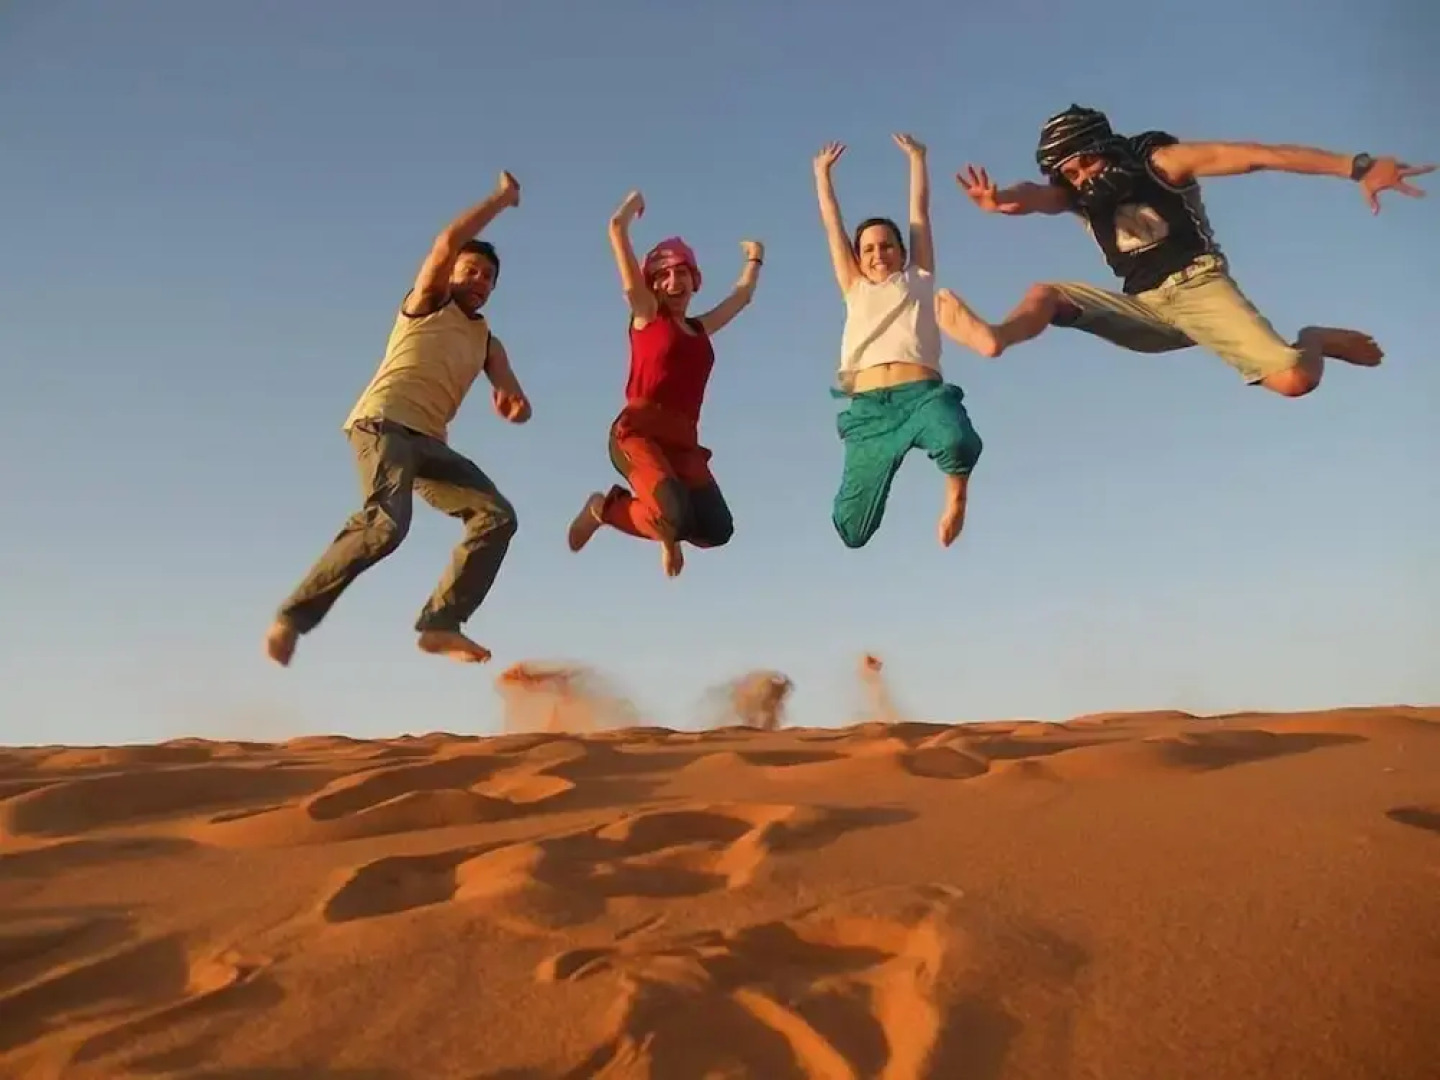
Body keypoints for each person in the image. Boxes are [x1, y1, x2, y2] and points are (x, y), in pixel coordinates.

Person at [940, 104, 1435, 397]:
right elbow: (1035, 197)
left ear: (1104, 146)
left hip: (1200, 287)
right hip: (1146, 309)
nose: (1082, 178)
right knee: (1045, 294)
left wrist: (1358, 165)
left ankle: (1314, 338)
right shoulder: (1079, 196)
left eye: (1085, 163)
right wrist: (1000, 200)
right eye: (1070, 174)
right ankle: (995, 338)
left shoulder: (1162, 161)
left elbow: (1256, 155)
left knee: (1294, 382)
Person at [264, 171, 531, 668]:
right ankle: (292, 618)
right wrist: (503, 198)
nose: (478, 281)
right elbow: (447, 241)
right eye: (470, 271)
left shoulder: (488, 340)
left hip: (430, 445)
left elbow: (514, 393)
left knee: (497, 517)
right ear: (453, 273)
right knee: (386, 524)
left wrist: (514, 405)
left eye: (487, 277)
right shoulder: (429, 301)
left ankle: (441, 624)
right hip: (382, 425)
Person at [566, 189, 764, 578]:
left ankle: (662, 526)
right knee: (674, 515)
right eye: (663, 275)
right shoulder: (646, 316)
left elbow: (740, 299)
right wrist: (624, 216)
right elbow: (616, 236)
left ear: (694, 279)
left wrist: (754, 259)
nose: (674, 281)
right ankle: (605, 509)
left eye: (682, 272)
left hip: (683, 442)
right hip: (637, 432)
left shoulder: (699, 328)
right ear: (653, 285)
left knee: (717, 528)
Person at [813, 134, 985, 551]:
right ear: (857, 257)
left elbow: (919, 213)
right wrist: (821, 175)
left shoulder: (918, 278)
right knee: (852, 531)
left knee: (957, 438)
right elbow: (832, 225)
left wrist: (917, 159)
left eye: (887, 245)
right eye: (868, 249)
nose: (878, 253)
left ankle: (956, 497)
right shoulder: (853, 286)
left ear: (902, 251)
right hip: (870, 411)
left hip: (921, 396)